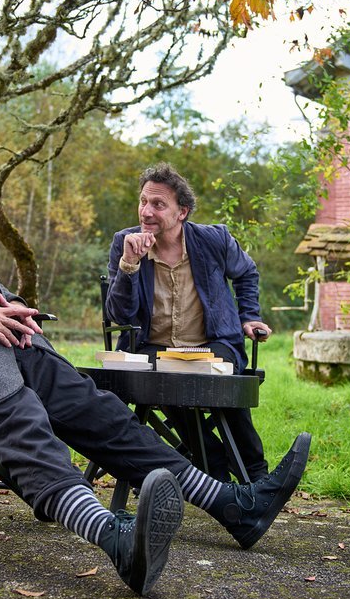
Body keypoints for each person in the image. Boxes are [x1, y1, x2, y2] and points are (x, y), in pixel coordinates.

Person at [0, 139, 311, 597]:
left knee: (100, 411)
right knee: (23, 421)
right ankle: (114, 539)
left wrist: (12, 303)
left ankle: (232, 504)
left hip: (3, 334)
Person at [106, 162, 272, 482]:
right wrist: (129, 265)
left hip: (213, 343)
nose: (146, 212)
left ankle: (256, 473)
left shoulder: (214, 239)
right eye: (143, 201)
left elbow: (247, 273)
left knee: (222, 380)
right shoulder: (125, 243)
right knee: (167, 373)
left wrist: (250, 315)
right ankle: (213, 464)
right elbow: (120, 316)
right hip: (151, 346)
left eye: (158, 204)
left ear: (182, 212)